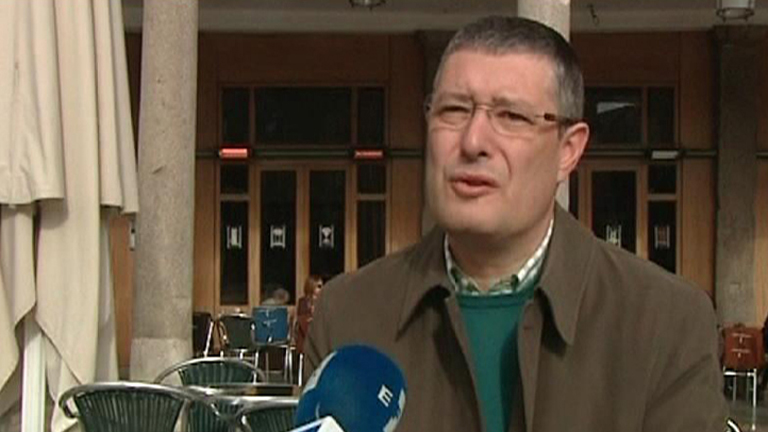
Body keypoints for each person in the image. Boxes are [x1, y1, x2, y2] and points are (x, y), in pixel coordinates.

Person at [304, 16, 726, 432]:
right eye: (453, 110)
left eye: (511, 116)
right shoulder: (349, 315)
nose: (473, 142)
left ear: (568, 150)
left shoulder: (667, 323)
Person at [295, 274, 323, 353]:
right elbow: (304, 324)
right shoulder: (303, 302)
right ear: (312, 286)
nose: (322, 288)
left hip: (319, 340)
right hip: (306, 342)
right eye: (319, 286)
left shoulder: (323, 302)